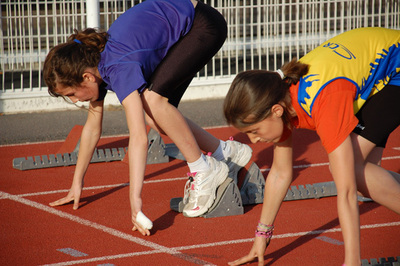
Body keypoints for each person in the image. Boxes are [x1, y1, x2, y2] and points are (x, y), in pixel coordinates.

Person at [43, 0, 252, 236]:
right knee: (157, 117)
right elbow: (92, 128)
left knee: (153, 101)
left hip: (203, 24)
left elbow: (139, 138)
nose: (74, 101)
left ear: (87, 77)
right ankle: (227, 152)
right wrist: (77, 182)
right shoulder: (98, 64)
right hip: (189, 25)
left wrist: (135, 200)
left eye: (71, 94)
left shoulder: (117, 66)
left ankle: (204, 169)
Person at [223, 27, 400, 266]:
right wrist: (262, 236)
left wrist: (352, 260)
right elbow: (280, 173)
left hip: (394, 67)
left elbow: (345, 192)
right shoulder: (280, 96)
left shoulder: (322, 101)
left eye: (253, 131)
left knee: (354, 173)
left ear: (276, 111)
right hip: (375, 70)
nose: (253, 141)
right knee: (364, 173)